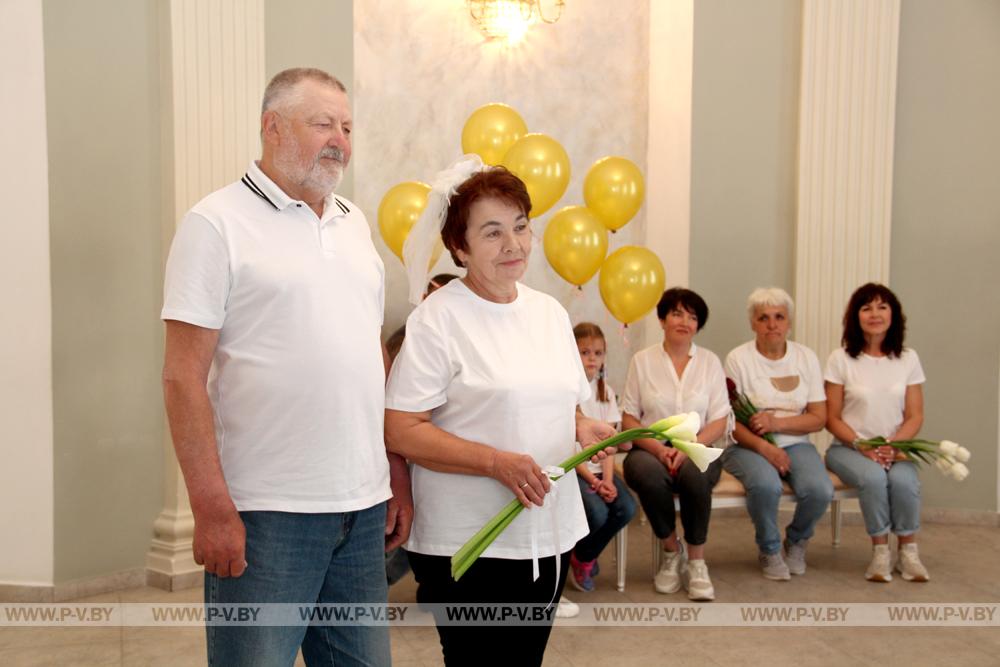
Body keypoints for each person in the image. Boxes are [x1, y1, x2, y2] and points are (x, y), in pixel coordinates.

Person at [161, 68, 411, 666]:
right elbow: (181, 377)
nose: (340, 141)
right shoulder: (214, 223)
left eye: (347, 127)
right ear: (272, 128)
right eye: (323, 123)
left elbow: (369, 353)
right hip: (265, 513)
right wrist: (210, 506)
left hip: (360, 508)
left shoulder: (355, 222)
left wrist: (393, 468)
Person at [383, 157, 615, 666]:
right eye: (492, 233)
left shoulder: (549, 313)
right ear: (459, 247)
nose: (513, 244)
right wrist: (495, 462)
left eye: (520, 227)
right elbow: (400, 429)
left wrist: (583, 427)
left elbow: (564, 403)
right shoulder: (437, 321)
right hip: (467, 541)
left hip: (545, 532)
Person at [621, 288, 728, 600]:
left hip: (699, 444)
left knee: (695, 474)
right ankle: (671, 552)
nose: (685, 321)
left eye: (693, 317)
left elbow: (720, 420)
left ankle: (696, 562)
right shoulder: (642, 361)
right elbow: (629, 419)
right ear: (662, 318)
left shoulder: (710, 362)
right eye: (677, 313)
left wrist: (688, 448)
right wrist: (657, 447)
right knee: (646, 474)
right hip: (651, 445)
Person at [723, 287, 833, 580]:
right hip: (747, 446)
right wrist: (766, 446)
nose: (772, 324)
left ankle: (796, 541)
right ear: (753, 323)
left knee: (820, 490)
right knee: (766, 486)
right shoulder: (738, 359)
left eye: (779, 317)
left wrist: (776, 424)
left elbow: (818, 418)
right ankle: (770, 549)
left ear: (789, 322)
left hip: (797, 444)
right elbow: (731, 422)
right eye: (763, 318)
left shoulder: (806, 357)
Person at [824, 283, 928, 582]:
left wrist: (892, 445)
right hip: (848, 448)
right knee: (872, 478)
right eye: (866, 307)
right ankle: (880, 553)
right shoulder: (840, 359)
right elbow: (831, 417)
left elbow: (915, 414)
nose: (875, 314)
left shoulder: (908, 358)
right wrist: (862, 444)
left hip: (895, 447)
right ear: (855, 317)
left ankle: (908, 553)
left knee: (904, 481)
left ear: (893, 315)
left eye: (882, 307)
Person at [569, 322, 637, 593]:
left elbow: (610, 441)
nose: (592, 359)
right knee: (596, 513)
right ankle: (583, 556)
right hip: (576, 472)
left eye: (598, 353)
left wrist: (607, 479)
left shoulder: (604, 391)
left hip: (600, 471)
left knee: (625, 509)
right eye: (584, 352)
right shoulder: (568, 391)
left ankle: (583, 556)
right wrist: (594, 482)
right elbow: (568, 449)